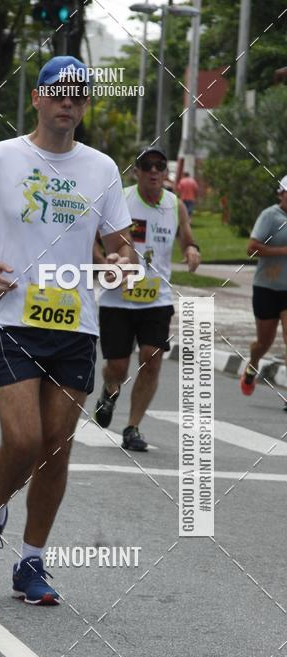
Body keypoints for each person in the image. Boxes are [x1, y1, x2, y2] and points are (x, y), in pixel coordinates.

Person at [0, 55, 134, 605]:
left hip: (75, 325)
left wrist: (120, 262)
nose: (68, 100)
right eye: (58, 91)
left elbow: (122, 243)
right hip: (10, 320)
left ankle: (32, 563)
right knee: (23, 439)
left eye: (79, 93)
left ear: (84, 104)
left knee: (56, 449)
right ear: (38, 98)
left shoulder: (101, 168)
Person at [94, 147, 200, 450]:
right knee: (118, 368)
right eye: (147, 166)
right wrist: (104, 264)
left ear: (165, 173)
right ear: (136, 172)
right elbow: (91, 238)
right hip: (117, 299)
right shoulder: (120, 201)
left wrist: (192, 249)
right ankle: (109, 392)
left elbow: (187, 237)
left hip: (157, 298)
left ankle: (133, 427)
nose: (154, 171)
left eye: (160, 166)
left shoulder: (174, 204)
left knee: (151, 360)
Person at [240, 173, 287, 409]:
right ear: (281, 194)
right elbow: (251, 249)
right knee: (264, 342)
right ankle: (253, 364)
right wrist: (282, 251)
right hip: (267, 288)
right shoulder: (270, 216)